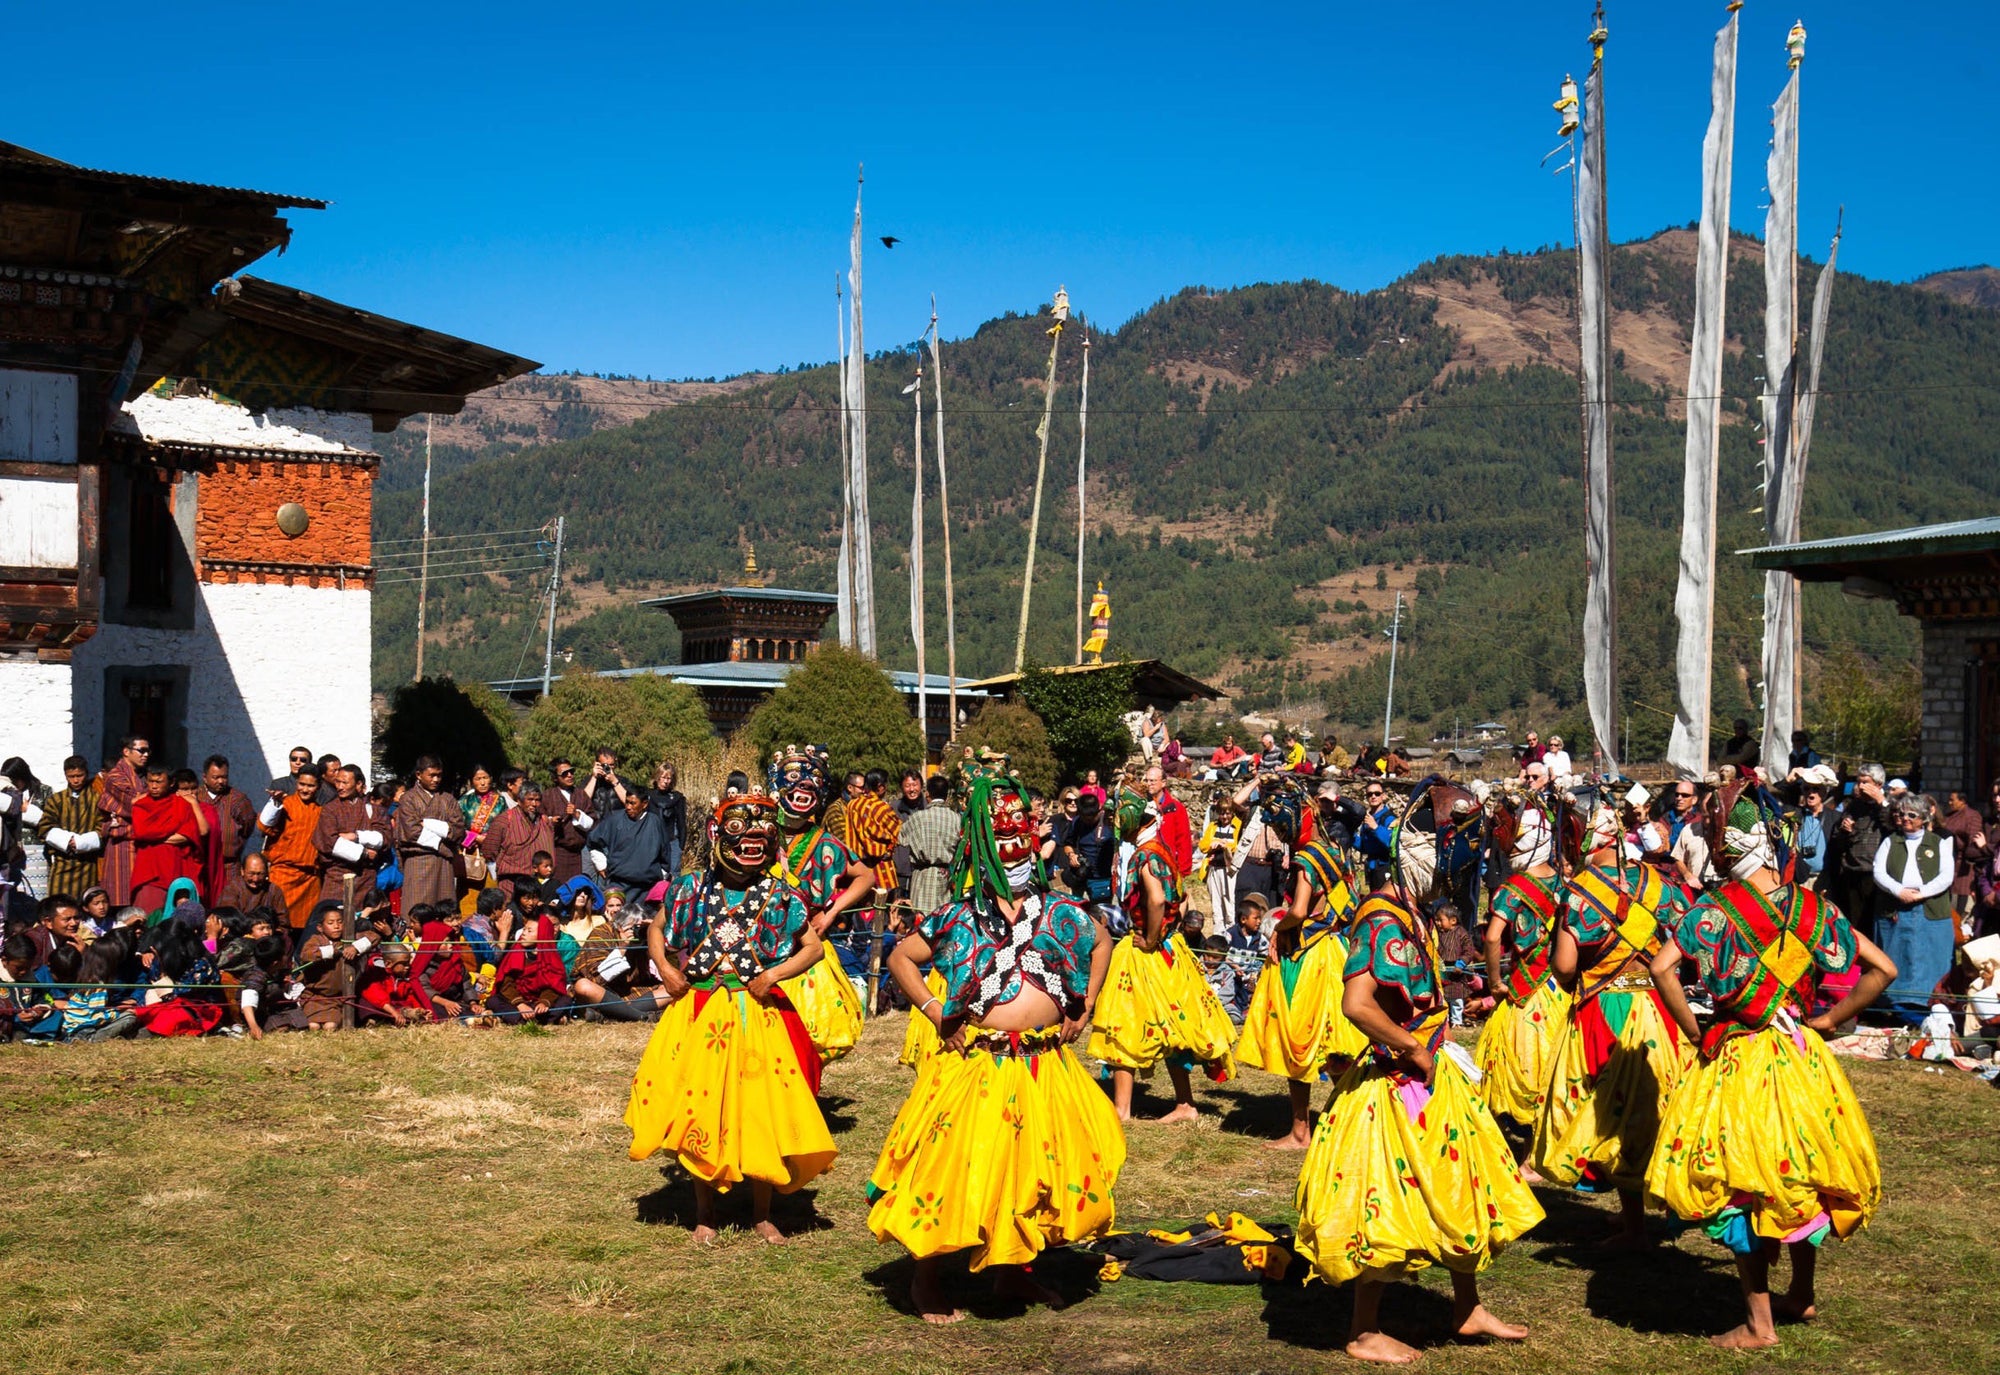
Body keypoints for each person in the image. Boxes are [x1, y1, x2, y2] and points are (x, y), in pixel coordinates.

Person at [1294, 787, 1541, 1363]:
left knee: (1459, 1188)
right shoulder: (1382, 917)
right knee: (1382, 1203)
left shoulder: (1411, 912)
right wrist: (1414, 1048)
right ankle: (1363, 1331)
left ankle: (1468, 1307)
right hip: (1394, 1083)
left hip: (1427, 1076)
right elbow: (1357, 1003)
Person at [1646, 782, 1895, 1351]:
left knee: (1747, 1184)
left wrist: (1694, 1031)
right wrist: (1830, 1021)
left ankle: (1759, 1325)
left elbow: (1664, 971)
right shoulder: (1814, 907)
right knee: (1801, 1174)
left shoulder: (1714, 909)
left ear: (1727, 849)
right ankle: (1801, 1293)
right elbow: (1882, 969)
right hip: (1802, 1058)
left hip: (1742, 1057)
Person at [868, 763, 1120, 1324]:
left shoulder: (1060, 909)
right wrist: (936, 1012)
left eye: (1018, 838)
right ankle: (926, 1279)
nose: (1011, 850)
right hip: (979, 1065)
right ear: (982, 848)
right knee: (956, 1170)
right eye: (999, 840)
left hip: (1042, 1065)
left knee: (1030, 1173)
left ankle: (1013, 1275)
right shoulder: (960, 915)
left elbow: (1102, 942)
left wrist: (1087, 1002)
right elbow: (900, 958)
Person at [624, 790, 836, 1243]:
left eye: (761, 837)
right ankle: (705, 1213)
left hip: (756, 1012)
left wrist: (773, 974)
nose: (751, 846)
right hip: (700, 1013)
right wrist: (665, 968)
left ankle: (763, 1213)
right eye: (742, 837)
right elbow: (657, 928)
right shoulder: (690, 888)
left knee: (761, 1110)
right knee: (699, 1107)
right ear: (720, 837)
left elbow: (813, 947)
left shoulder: (780, 894)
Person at [1532, 795, 1690, 1246]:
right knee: (1652, 1104)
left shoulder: (1579, 889)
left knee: (1614, 1111)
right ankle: (1646, 1207)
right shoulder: (1659, 883)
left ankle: (1635, 1221)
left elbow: (1564, 966)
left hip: (1605, 1009)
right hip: (1659, 1007)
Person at [1088, 787, 1237, 1122]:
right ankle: (1185, 1104)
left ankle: (1121, 1108)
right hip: (1172, 949)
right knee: (1171, 1025)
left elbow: (1155, 899)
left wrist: (1151, 938)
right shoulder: (1163, 850)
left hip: (1146, 950)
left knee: (1123, 1023)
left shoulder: (1145, 855)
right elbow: (1180, 900)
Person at [1235, 777, 1365, 1150]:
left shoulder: (1307, 858)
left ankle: (1299, 1132)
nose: (1278, 832)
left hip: (1306, 957)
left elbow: (1298, 909)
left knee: (1301, 1044)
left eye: (1279, 826)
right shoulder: (1334, 851)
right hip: (1334, 951)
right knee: (1334, 1045)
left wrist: (1278, 930)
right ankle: (1345, 1119)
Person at [1474, 786, 1574, 1144]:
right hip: (1560, 987)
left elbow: (1491, 937)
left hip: (1525, 989)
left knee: (1521, 1064)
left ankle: (1526, 1144)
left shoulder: (1513, 889)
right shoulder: (1565, 882)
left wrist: (1495, 981)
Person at [766, 744, 873, 1061]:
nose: (804, 788)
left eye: (812, 782)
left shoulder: (824, 841)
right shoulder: (760, 833)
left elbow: (866, 876)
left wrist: (832, 911)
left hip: (808, 946)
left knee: (811, 1034)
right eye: (796, 780)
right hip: (762, 945)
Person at [1871, 793, 1955, 1023]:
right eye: (1902, 814)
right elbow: (1879, 871)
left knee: (1929, 957)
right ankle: (1894, 1007)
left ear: (1924, 817)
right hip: (1895, 906)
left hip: (1929, 908)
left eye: (1912, 814)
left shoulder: (1939, 842)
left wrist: (1922, 893)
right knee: (1896, 955)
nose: (1905, 819)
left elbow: (1946, 876)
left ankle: (1930, 1007)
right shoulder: (1890, 840)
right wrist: (1899, 891)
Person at [257, 763, 324, 938]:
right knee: (278, 925)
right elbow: (264, 825)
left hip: (309, 880)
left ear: (319, 787)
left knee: (305, 930)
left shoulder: (321, 811)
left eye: (310, 786)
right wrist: (274, 804)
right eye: (302, 784)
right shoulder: (284, 804)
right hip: (283, 876)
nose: (305, 789)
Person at [393, 757, 467, 913]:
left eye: (439, 775)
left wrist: (429, 824)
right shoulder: (408, 799)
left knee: (444, 910)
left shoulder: (448, 799)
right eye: (431, 775)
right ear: (418, 775)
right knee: (418, 910)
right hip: (418, 860)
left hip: (444, 864)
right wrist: (442, 846)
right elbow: (412, 832)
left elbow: (458, 829)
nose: (436, 779)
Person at [130, 762, 201, 914]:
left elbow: (188, 835)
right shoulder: (141, 805)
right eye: (150, 781)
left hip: (177, 868)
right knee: (149, 918)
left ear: (171, 783)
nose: (153, 786)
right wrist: (173, 829)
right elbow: (142, 832)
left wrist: (155, 837)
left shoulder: (182, 804)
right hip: (150, 872)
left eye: (158, 782)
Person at [1828, 764, 1889, 935]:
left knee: (1874, 923)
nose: (1860, 787)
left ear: (1878, 784)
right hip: (1852, 871)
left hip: (1876, 873)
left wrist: (1880, 802)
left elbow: (1892, 827)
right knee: (1855, 922)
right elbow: (1838, 840)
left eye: (1865, 782)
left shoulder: (1890, 805)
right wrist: (1846, 831)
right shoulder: (1853, 806)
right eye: (1858, 782)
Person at [313, 765, 386, 907]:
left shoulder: (373, 809)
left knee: (362, 921)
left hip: (365, 876)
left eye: (344, 783)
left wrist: (356, 836)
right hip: (337, 875)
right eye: (337, 782)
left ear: (358, 784)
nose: (339, 787)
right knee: (333, 918)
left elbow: (383, 837)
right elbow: (329, 842)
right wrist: (364, 852)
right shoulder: (330, 809)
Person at [37, 755, 102, 899]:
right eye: (71, 776)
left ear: (86, 773)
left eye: (80, 775)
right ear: (65, 775)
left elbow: (103, 827)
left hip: (87, 864)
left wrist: (81, 843)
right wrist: (67, 841)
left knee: (84, 904)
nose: (76, 780)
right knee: (58, 903)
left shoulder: (96, 799)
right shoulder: (56, 800)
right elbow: (45, 827)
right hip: (62, 863)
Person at [592, 787, 672, 899]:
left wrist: (661, 875)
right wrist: (601, 865)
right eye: (627, 802)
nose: (628, 807)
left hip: (647, 888)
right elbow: (593, 842)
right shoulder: (614, 820)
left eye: (633, 803)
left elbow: (665, 853)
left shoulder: (655, 823)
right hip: (619, 884)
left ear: (644, 804)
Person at [902, 774, 963, 918]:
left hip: (922, 876)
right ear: (947, 795)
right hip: (946, 875)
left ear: (927, 793)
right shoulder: (957, 818)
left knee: (921, 920)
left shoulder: (917, 818)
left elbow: (901, 838)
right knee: (944, 918)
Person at [95, 736, 147, 905]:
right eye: (141, 750)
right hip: (122, 843)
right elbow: (136, 804)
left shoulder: (137, 776)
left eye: (147, 751)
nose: (145, 755)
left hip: (137, 839)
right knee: (122, 897)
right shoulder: (116, 776)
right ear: (126, 751)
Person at [480, 782, 555, 899]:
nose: (534, 804)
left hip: (539, 884)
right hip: (512, 885)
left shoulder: (544, 821)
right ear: (519, 800)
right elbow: (489, 851)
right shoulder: (504, 821)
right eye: (529, 799)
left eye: (537, 800)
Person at [845, 769, 902, 908]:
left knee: (862, 912)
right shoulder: (882, 808)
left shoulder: (852, 805)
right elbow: (899, 831)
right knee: (883, 912)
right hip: (881, 870)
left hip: (858, 869)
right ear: (881, 787)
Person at [200, 756, 258, 887]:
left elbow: (248, 826)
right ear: (205, 777)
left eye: (224, 777)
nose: (220, 781)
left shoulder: (238, 800)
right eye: (215, 777)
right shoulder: (197, 797)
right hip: (203, 865)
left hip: (229, 867)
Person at [1938, 788, 1988, 941]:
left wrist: (1968, 856)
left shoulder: (1972, 816)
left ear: (1962, 801)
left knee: (1961, 903)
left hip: (1964, 867)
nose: (1949, 802)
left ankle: (1961, 934)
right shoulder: (1949, 816)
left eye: (1953, 799)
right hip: (1950, 862)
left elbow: (1973, 842)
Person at [544, 758, 590, 884]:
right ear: (555, 778)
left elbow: (592, 822)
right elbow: (538, 821)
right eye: (564, 774)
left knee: (578, 889)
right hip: (557, 852)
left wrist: (577, 814)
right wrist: (550, 821)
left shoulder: (581, 795)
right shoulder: (547, 796)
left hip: (580, 853)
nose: (569, 775)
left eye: (571, 771)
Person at [648, 763, 688, 878]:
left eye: (668, 778)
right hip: (652, 841)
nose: (665, 781)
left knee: (673, 875)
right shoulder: (648, 795)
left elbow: (682, 823)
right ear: (657, 777)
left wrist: (681, 846)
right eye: (663, 777)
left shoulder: (677, 798)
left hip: (672, 842)